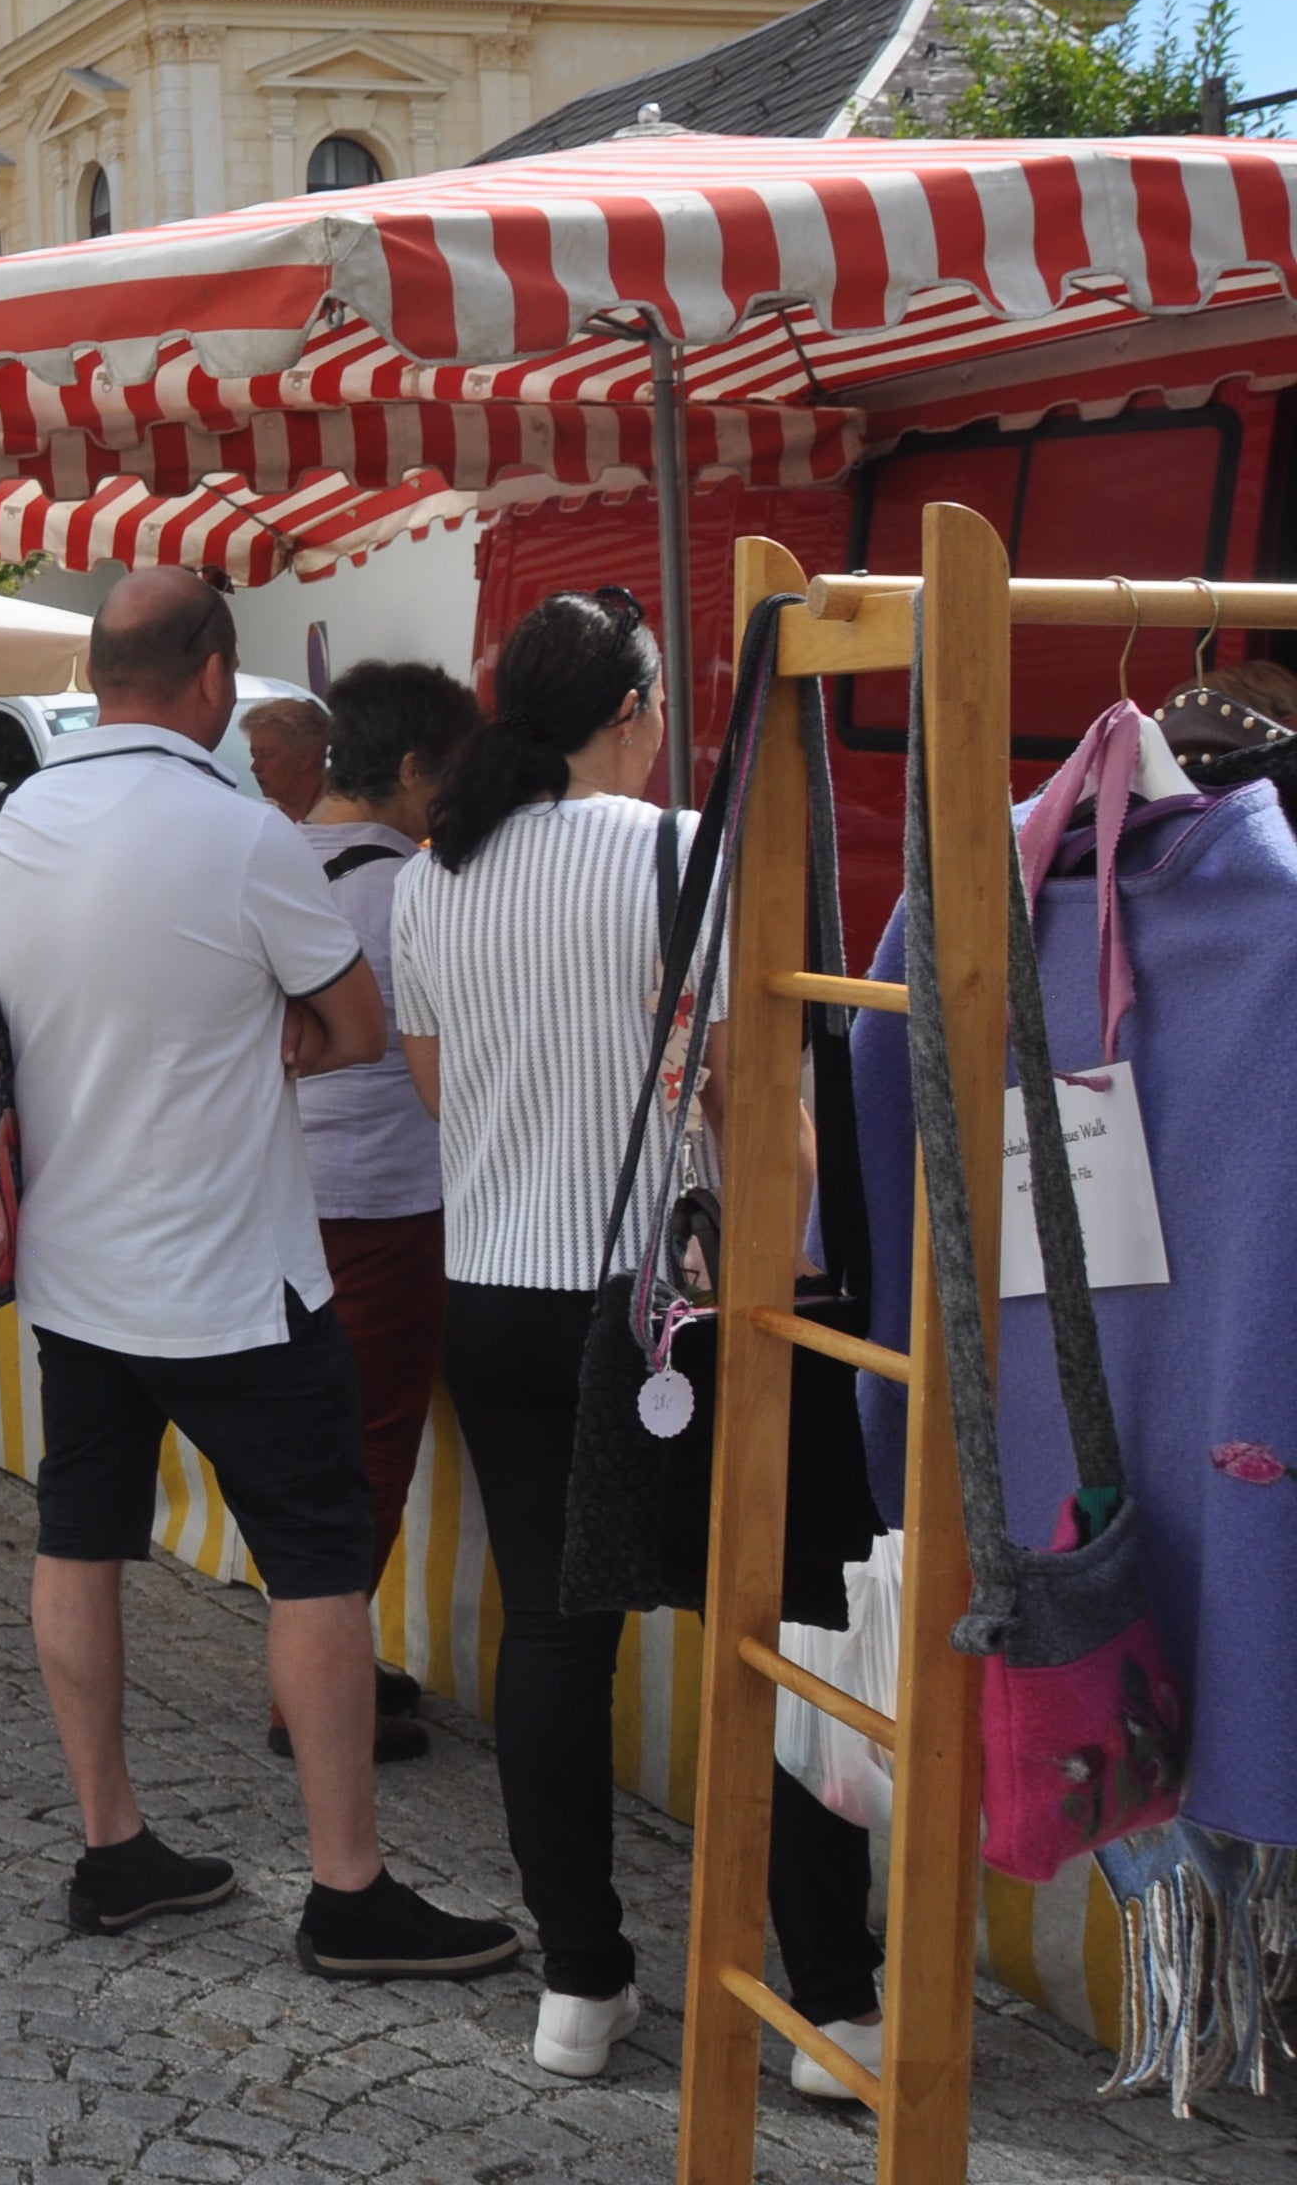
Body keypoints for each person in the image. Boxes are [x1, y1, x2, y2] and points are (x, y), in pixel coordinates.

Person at [0, 568, 517, 1979]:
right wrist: (265, 1031)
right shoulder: (242, 837)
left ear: (101, 674)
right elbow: (350, 1031)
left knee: (79, 1538)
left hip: (77, 1262)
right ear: (216, 674)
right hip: (235, 1270)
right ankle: (348, 1884)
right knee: (318, 1568)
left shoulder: (20, 821)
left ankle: (115, 1845)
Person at [389, 593, 881, 2087]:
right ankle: (832, 2004)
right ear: (635, 709)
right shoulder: (677, 853)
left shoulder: (436, 873)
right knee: (779, 1617)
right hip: (672, 1301)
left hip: (495, 1292)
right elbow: (758, 1109)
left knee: (551, 1635)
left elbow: (434, 1091)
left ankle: (580, 1985)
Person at [275, 656, 484, 1768]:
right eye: (448, 775)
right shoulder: (413, 889)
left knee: (314, 1446)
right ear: (410, 771)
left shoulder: (269, 862)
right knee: (366, 1454)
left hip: (282, 1196)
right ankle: (315, 1694)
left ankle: (323, 1656)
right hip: (383, 1200)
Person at [245, 698, 332, 822]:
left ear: (305, 758)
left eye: (267, 755)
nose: (255, 767)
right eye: (253, 756)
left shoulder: (344, 817)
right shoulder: (265, 817)